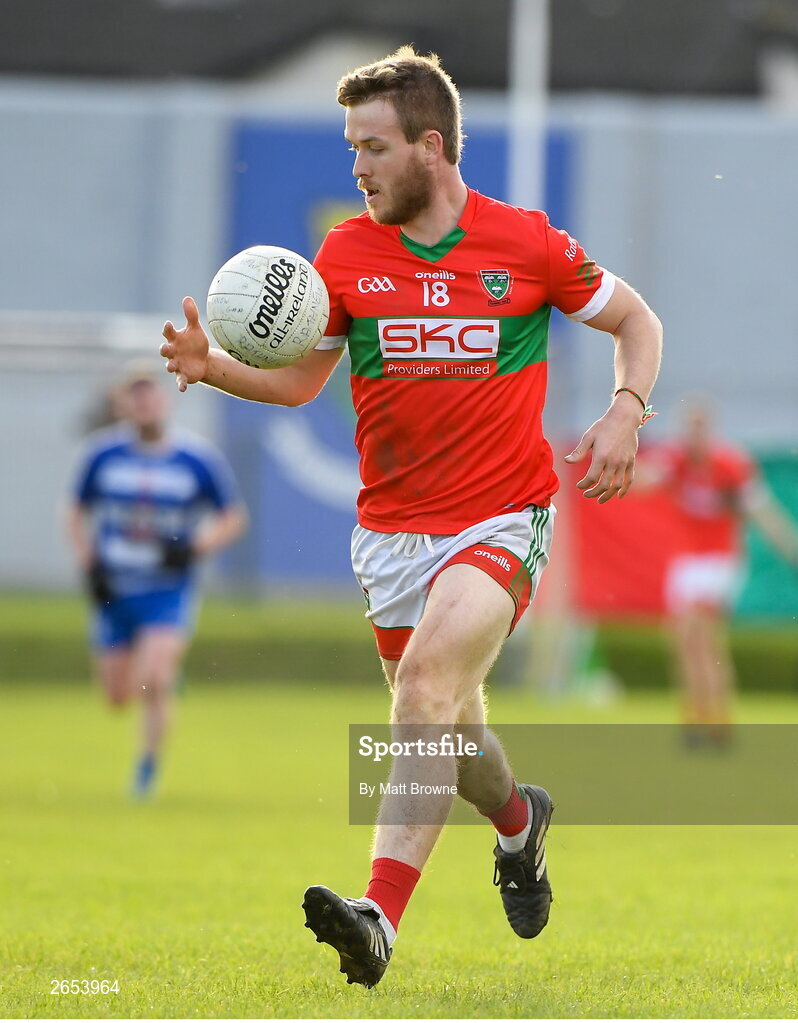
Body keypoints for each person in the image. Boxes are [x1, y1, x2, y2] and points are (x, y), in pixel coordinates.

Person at [160, 47, 662, 987]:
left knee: (425, 688)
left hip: (502, 518)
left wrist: (626, 411)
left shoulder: (527, 243)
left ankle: (378, 916)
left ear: (430, 148)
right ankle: (519, 823)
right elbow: (304, 378)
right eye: (353, 147)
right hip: (393, 533)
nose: (357, 166)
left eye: (374, 147)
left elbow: (639, 321)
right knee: (450, 727)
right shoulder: (346, 252)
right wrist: (212, 366)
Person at [66, 364, 248, 797]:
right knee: (117, 698)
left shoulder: (195, 458)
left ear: (164, 401)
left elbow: (232, 517)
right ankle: (162, 677)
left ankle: (146, 768)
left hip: (166, 588)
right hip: (114, 589)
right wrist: (89, 564)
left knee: (153, 680)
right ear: (122, 406)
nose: (144, 404)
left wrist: (193, 548)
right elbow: (74, 513)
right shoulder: (101, 456)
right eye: (134, 396)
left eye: (150, 395)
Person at [649, 400, 798, 745]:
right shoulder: (676, 462)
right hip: (684, 562)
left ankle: (714, 720)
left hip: (718, 563)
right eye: (689, 426)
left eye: (700, 426)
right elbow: (644, 480)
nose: (694, 434)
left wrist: (789, 549)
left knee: (698, 634)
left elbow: (763, 511)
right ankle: (702, 716)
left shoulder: (730, 465)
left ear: (710, 429)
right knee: (686, 644)